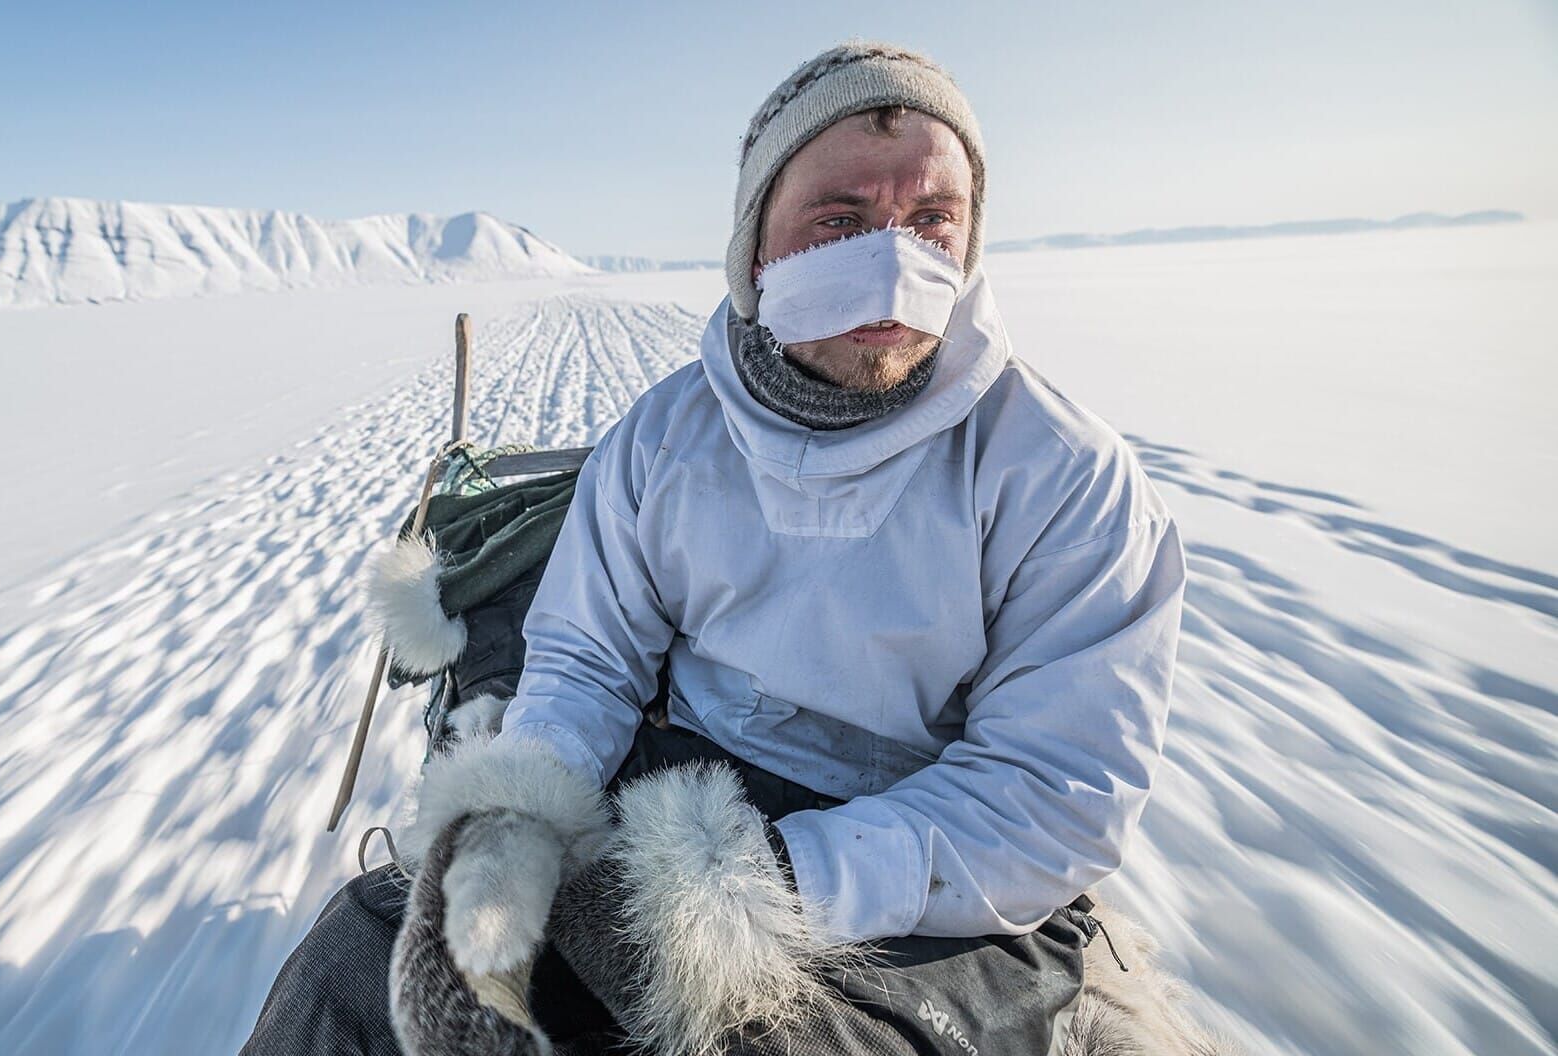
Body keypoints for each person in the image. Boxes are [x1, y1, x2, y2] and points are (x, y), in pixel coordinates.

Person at [242, 40, 1204, 1056]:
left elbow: (1054, 789)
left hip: (931, 877)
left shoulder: (1059, 475)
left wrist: (782, 878)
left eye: (930, 221)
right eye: (840, 221)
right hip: (683, 788)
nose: (891, 260)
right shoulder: (664, 441)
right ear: (755, 249)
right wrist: (517, 820)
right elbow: (587, 660)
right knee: (356, 962)